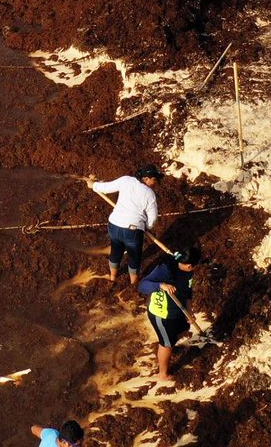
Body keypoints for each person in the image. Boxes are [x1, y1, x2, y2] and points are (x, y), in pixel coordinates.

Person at [140, 245, 204, 387]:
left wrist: (189, 310)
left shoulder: (188, 272)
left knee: (184, 327)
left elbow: (188, 291)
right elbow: (143, 285)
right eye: (193, 267)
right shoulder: (164, 270)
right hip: (161, 314)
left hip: (177, 310)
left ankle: (167, 343)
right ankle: (163, 374)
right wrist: (161, 285)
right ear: (188, 265)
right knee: (166, 344)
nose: (193, 269)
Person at [90, 165, 160, 288]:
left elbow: (105, 188)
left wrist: (93, 185)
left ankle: (112, 278)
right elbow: (153, 219)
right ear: (147, 178)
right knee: (134, 257)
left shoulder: (126, 180)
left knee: (116, 251)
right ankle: (134, 284)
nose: (156, 182)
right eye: (155, 179)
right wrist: (147, 227)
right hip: (132, 231)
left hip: (114, 225)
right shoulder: (150, 194)